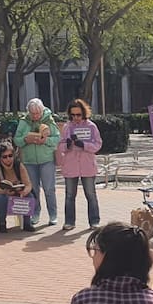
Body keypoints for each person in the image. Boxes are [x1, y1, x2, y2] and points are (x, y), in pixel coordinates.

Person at [14, 98, 61, 228]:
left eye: (37, 113)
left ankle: (53, 214)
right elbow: (16, 140)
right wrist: (25, 139)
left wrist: (45, 140)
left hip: (46, 159)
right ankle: (35, 213)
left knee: (49, 189)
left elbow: (57, 138)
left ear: (42, 111)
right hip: (29, 160)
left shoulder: (49, 120)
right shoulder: (24, 121)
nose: (35, 116)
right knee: (33, 189)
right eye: (32, 113)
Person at [57, 98, 102, 230]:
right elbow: (60, 146)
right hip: (71, 166)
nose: (75, 117)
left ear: (84, 113)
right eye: (73, 115)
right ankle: (69, 221)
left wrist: (84, 145)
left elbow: (98, 144)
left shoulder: (91, 126)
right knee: (70, 195)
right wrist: (68, 144)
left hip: (87, 165)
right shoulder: (67, 127)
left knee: (91, 194)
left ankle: (94, 221)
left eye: (78, 115)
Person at [0, 141, 33, 233]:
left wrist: (24, 191)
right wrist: (5, 192)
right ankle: (2, 223)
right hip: (3, 194)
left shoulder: (19, 166)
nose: (8, 159)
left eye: (10, 156)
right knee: (0, 198)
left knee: (29, 196)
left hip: (18, 192)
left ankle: (27, 223)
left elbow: (28, 184)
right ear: (0, 158)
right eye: (5, 157)